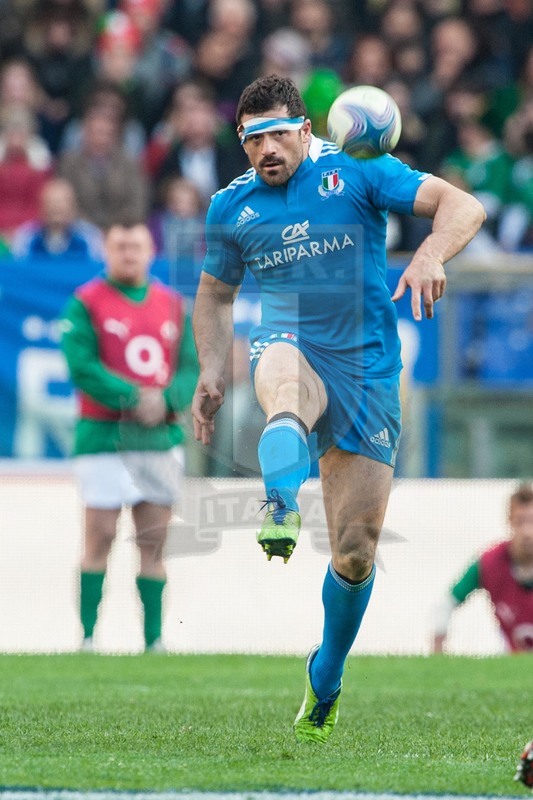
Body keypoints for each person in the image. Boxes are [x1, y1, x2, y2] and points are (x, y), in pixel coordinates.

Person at [191, 75, 485, 742]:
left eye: (276, 133)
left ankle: (325, 674)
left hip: (368, 366)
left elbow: (460, 205)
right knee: (286, 392)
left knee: (355, 551)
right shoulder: (229, 208)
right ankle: (277, 500)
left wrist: (431, 253)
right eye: (251, 138)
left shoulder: (356, 169)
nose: (265, 148)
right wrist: (210, 369)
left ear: (304, 128)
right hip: (288, 333)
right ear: (240, 144)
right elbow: (213, 295)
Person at [61, 221, 198, 652]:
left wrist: (170, 399)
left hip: (157, 441)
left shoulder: (173, 305)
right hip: (103, 437)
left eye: (135, 245)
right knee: (99, 534)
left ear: (149, 249)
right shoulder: (85, 303)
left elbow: (191, 366)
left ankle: (154, 640)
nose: (128, 253)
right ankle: (87, 637)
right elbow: (81, 366)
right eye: (119, 245)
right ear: (106, 249)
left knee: (154, 539)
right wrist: (134, 396)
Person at [433, 484, 533, 653]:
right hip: (511, 663)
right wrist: (437, 650)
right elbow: (446, 603)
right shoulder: (490, 563)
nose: (527, 532)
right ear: (509, 522)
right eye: (520, 521)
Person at [12, 177, 103, 260]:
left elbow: (99, 271)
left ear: (73, 207)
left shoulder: (90, 236)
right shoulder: (26, 236)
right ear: (41, 207)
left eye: (62, 202)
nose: (56, 207)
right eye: (51, 202)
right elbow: (17, 269)